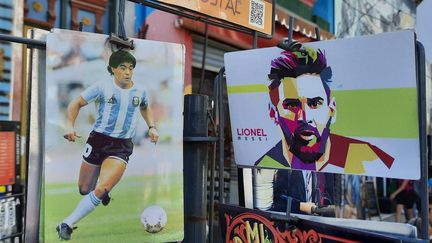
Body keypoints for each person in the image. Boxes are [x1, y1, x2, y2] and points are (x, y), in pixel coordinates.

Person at [56, 49, 159, 240]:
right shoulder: (102, 87)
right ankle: (103, 188)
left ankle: (66, 223)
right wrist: (69, 125)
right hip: (98, 140)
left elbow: (145, 107)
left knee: (101, 188)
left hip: (121, 146)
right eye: (123, 68)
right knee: (85, 189)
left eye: (131, 68)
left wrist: (151, 126)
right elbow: (75, 103)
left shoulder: (140, 90)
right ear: (113, 69)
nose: (128, 72)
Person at [254, 43, 395, 174]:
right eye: (292, 105)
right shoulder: (264, 166)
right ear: (273, 113)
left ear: (332, 110)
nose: (305, 117)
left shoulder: (368, 159)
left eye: (315, 104)